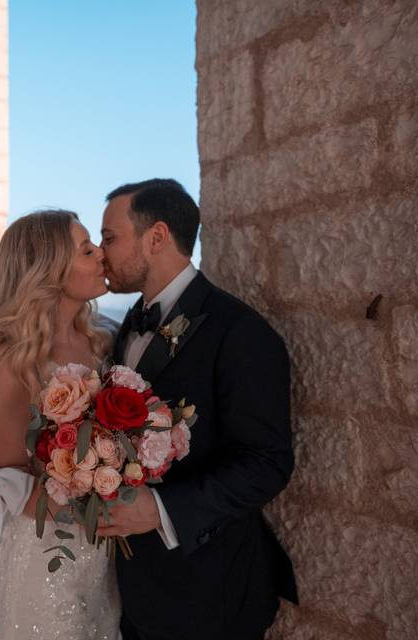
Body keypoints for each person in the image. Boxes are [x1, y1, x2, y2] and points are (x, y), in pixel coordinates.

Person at [95, 179, 298, 639]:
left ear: (157, 237)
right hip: (137, 591)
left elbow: (267, 464)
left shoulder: (240, 332)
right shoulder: (128, 324)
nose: (100, 250)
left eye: (109, 238)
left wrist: (161, 510)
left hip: (211, 593)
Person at [0, 210, 122, 640]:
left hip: (102, 551)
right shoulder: (15, 362)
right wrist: (99, 507)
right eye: (86, 248)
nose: (100, 255)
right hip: (44, 552)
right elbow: (12, 484)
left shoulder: (104, 338)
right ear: (49, 268)